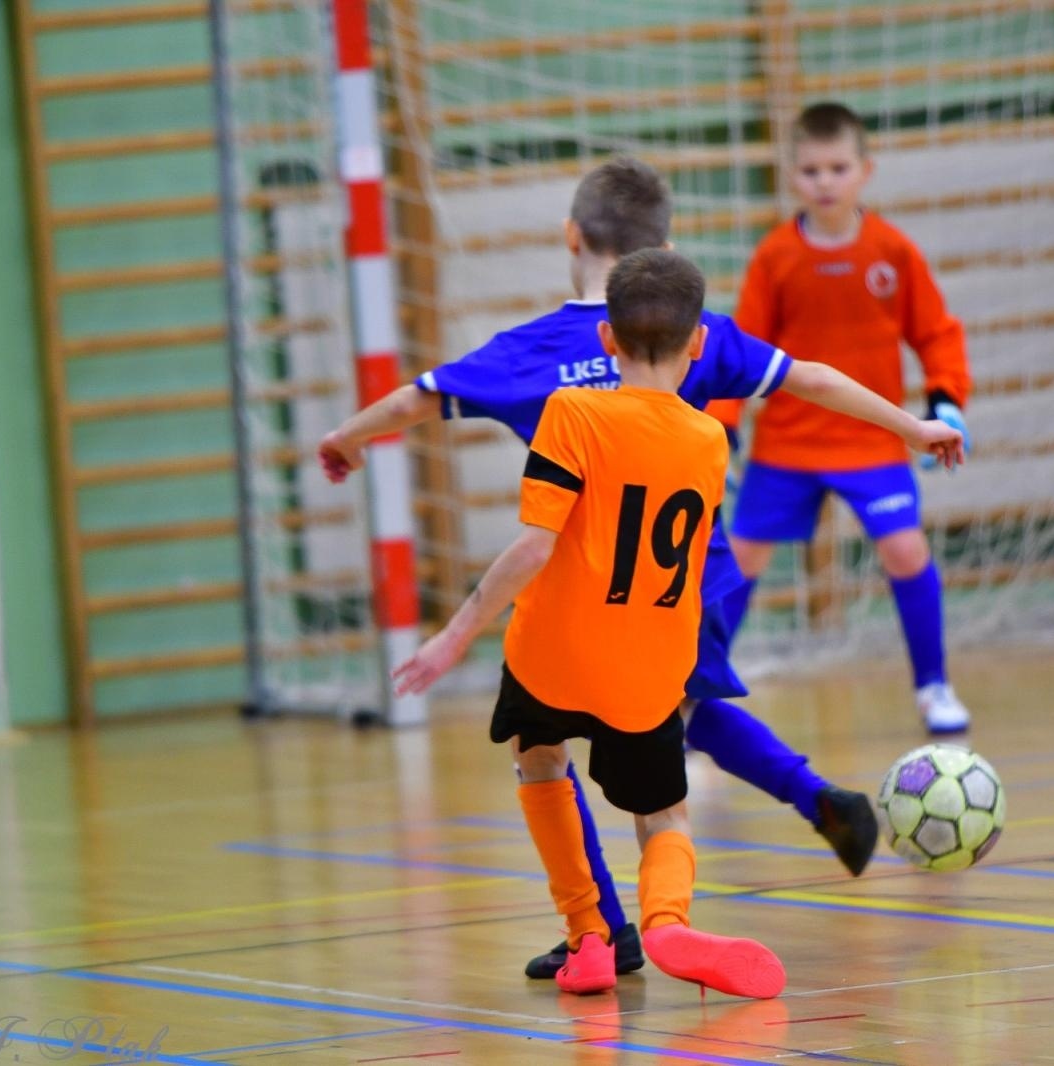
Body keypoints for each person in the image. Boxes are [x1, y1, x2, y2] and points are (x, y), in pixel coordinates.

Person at [318, 157, 963, 980]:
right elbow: (809, 378)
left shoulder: (530, 356)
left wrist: (348, 436)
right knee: (670, 723)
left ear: (571, 237)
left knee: (550, 742)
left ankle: (603, 929)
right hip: (692, 582)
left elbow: (418, 396)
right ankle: (808, 809)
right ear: (668, 246)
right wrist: (909, 425)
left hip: (581, 594)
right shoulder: (702, 338)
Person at [391, 248, 785, 997]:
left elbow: (535, 545)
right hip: (648, 664)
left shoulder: (570, 412)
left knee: (539, 758)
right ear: (699, 343)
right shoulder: (707, 440)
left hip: (554, 650)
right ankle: (666, 923)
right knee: (662, 810)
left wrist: (456, 633)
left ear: (605, 339)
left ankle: (589, 936)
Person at [707, 101, 975, 736]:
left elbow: (938, 333)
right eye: (810, 170)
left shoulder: (893, 253)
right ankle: (699, 696)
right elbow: (740, 348)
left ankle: (933, 686)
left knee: (906, 550)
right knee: (738, 558)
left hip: (873, 443)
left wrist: (945, 398)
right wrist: (721, 422)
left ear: (864, 171)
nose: (824, 181)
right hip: (788, 446)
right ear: (791, 176)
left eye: (837, 167)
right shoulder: (774, 257)